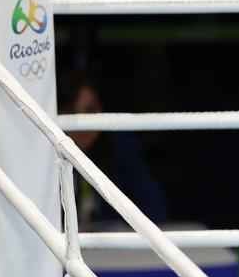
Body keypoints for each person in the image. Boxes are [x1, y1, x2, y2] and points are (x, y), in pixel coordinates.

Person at [58, 68, 168, 229]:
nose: (82, 122)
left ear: (101, 109)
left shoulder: (121, 146)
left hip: (112, 247)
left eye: (89, 111)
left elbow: (154, 210)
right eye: (72, 113)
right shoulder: (44, 152)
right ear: (58, 113)